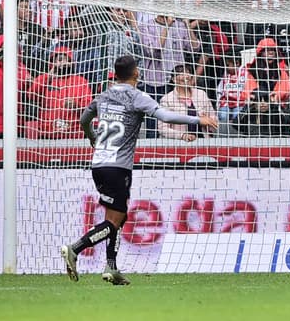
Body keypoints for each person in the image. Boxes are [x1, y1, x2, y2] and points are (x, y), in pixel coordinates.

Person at [61, 54, 217, 285]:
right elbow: (164, 115)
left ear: (116, 74)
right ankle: (75, 249)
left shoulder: (103, 96)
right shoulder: (137, 96)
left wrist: (92, 137)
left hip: (99, 164)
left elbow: (84, 119)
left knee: (116, 216)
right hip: (118, 167)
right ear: (136, 73)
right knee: (114, 221)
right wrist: (197, 120)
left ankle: (111, 267)